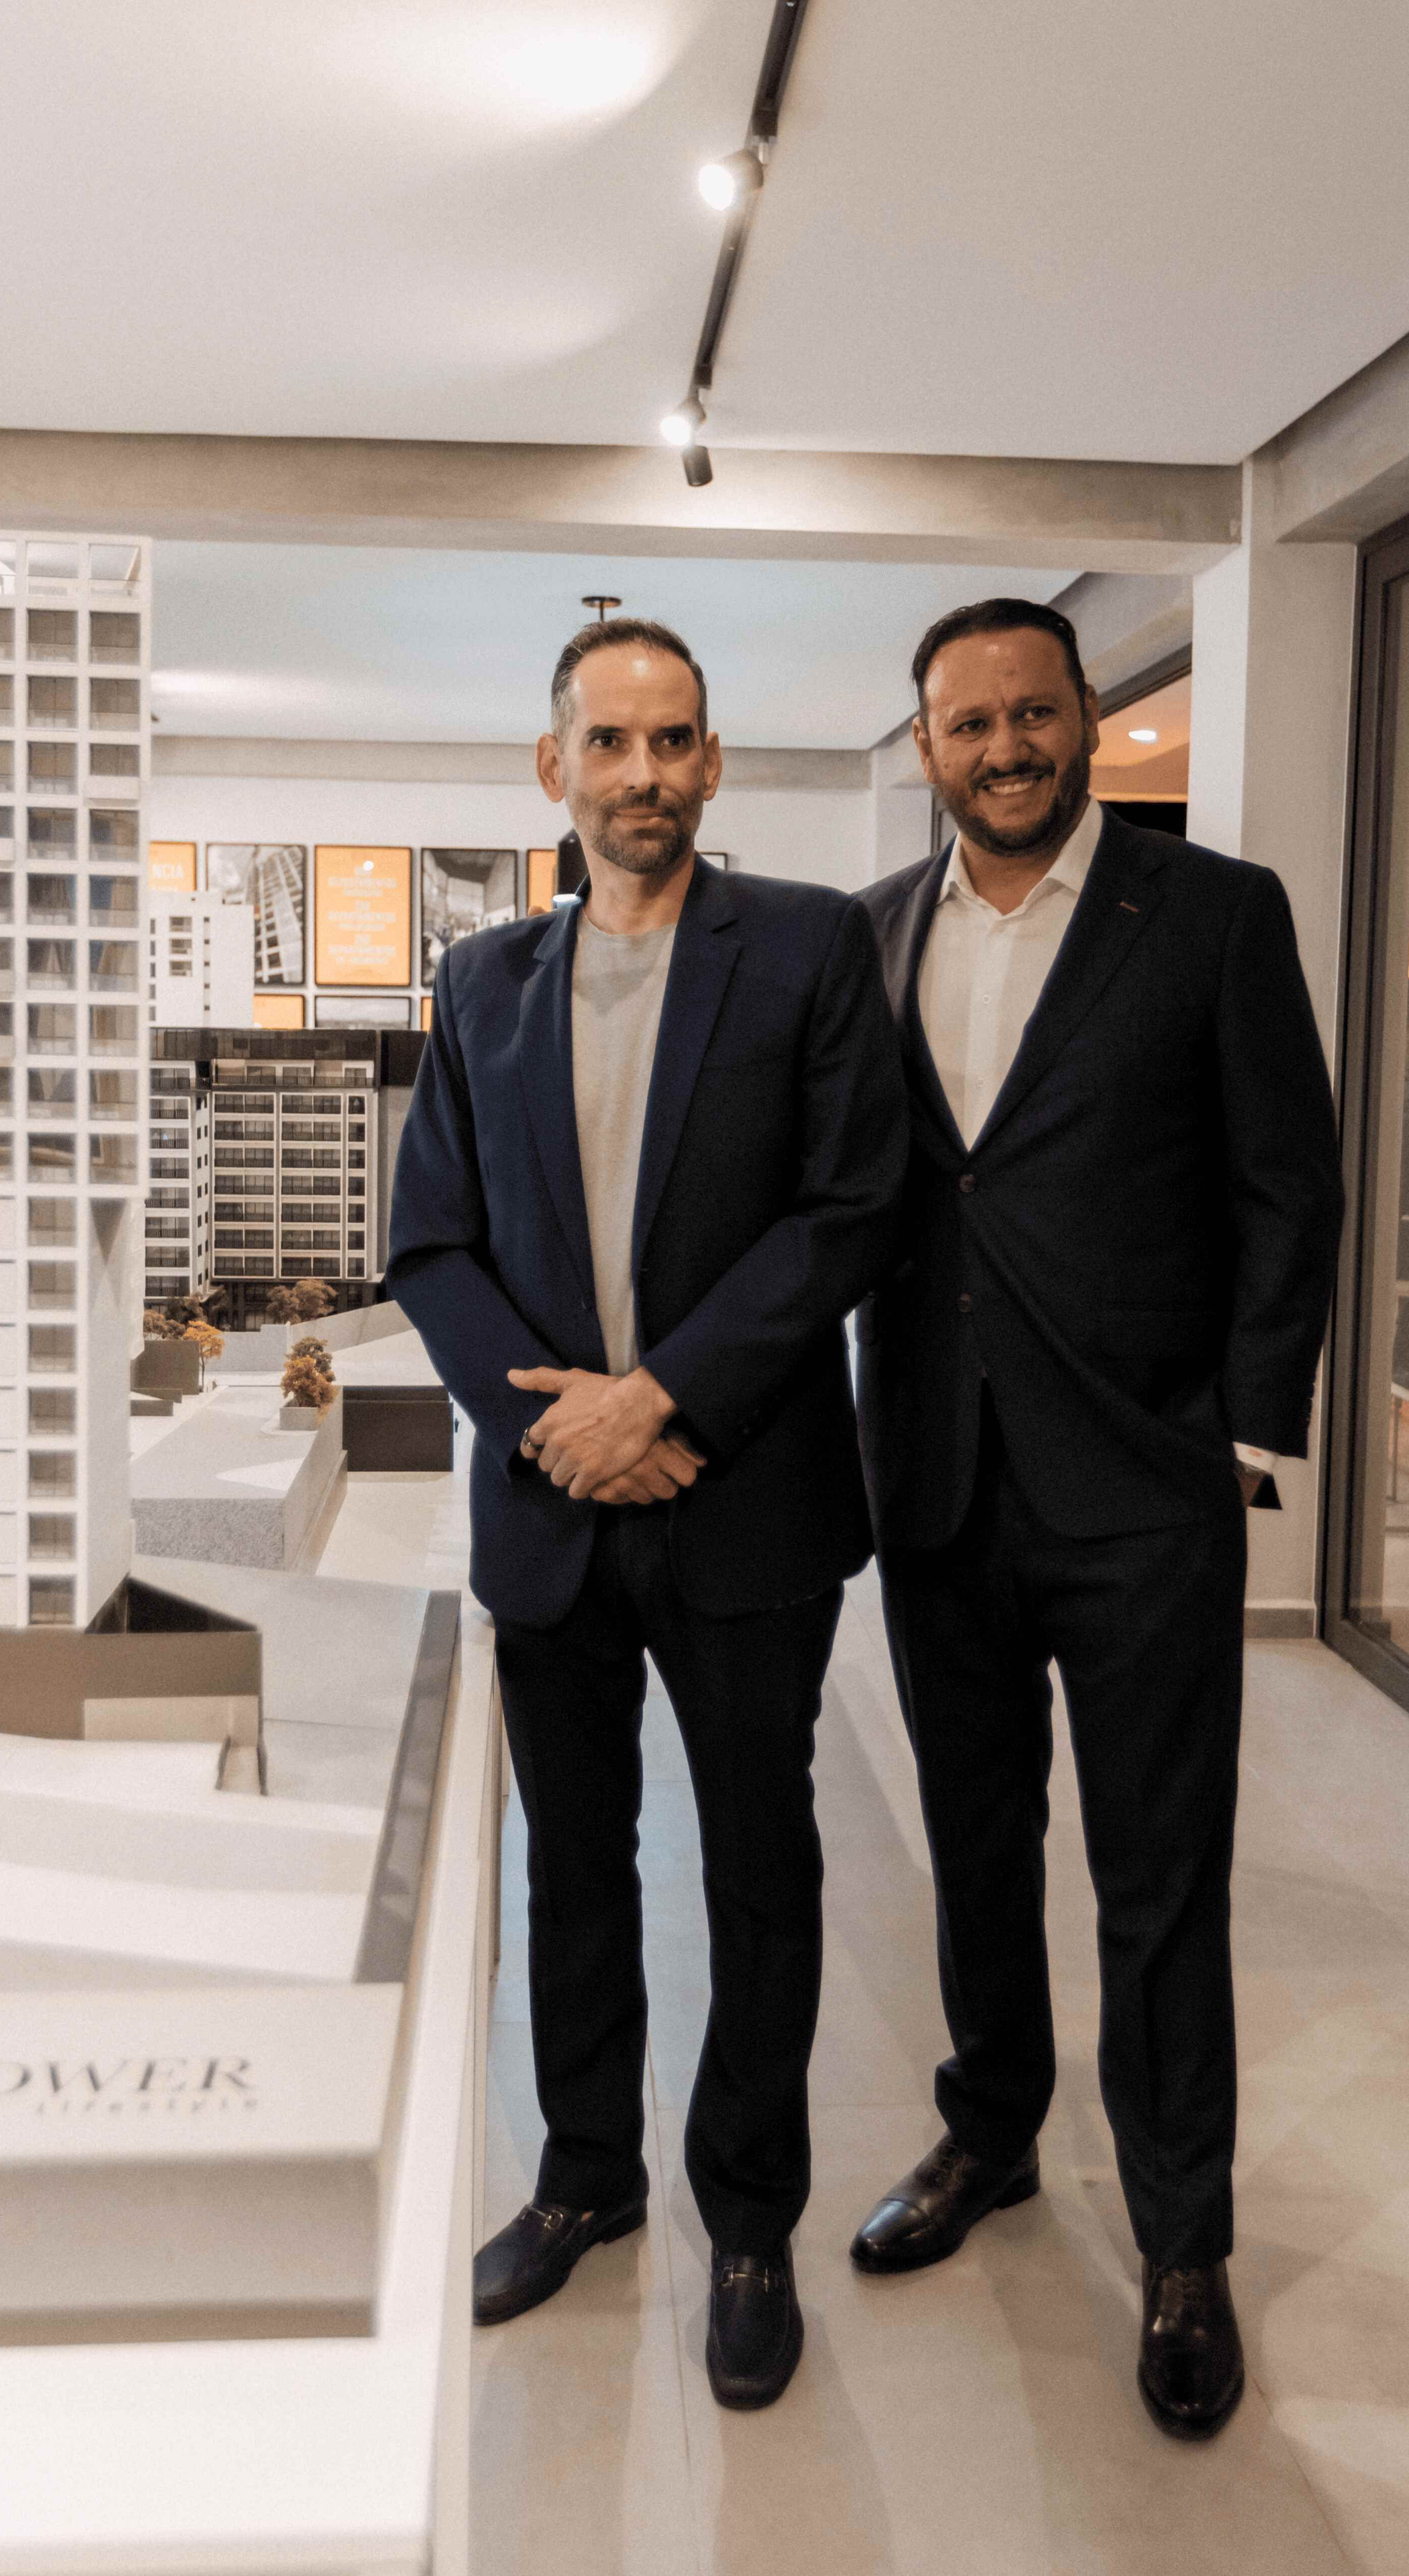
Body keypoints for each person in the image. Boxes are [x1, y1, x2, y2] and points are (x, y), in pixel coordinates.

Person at [387, 617, 905, 2411]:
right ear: (555, 769)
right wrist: (569, 1436)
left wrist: (661, 1398)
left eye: (674, 741)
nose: (645, 775)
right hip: (558, 1518)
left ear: (714, 762)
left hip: (742, 1499)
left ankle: (750, 2222)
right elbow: (431, 1245)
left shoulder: (809, 949)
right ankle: (584, 2177)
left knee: (761, 1870)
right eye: (609, 744)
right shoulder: (482, 984)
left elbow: (852, 1208)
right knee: (575, 1865)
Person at [850, 597, 1342, 2440]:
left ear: (1088, 721)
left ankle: (1183, 2240)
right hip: (939, 1477)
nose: (1006, 748)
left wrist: (1245, 1435)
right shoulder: (869, 934)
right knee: (976, 1848)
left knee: (1161, 1879)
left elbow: (1290, 1180)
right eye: (969, 722)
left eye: (1034, 712)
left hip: (1144, 1491)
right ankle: (990, 2134)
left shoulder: (1211, 914)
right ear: (926, 745)